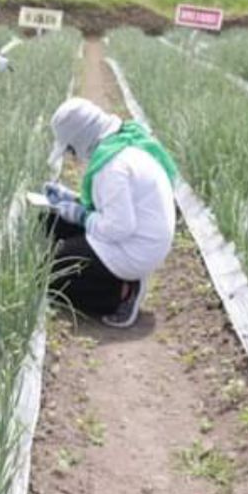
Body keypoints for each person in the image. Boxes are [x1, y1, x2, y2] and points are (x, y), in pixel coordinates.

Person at [41, 97, 179, 328]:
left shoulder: (112, 167)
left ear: (82, 138)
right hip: (137, 235)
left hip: (134, 249)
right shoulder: (121, 146)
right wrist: (71, 199)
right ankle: (109, 278)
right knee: (52, 221)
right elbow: (113, 207)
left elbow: (119, 228)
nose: (72, 155)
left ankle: (120, 293)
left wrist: (82, 216)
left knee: (53, 276)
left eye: (71, 148)